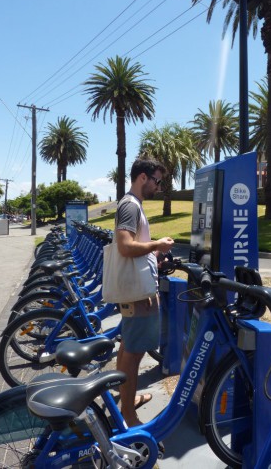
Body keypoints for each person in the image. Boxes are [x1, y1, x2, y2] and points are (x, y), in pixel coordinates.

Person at [115, 158, 174, 426]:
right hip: (139, 296)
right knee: (134, 354)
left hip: (136, 292)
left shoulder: (133, 205)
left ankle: (126, 399)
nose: (158, 186)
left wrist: (155, 258)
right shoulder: (130, 205)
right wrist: (157, 245)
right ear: (142, 177)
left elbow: (134, 247)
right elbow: (125, 246)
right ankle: (128, 414)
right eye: (157, 180)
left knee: (128, 347)